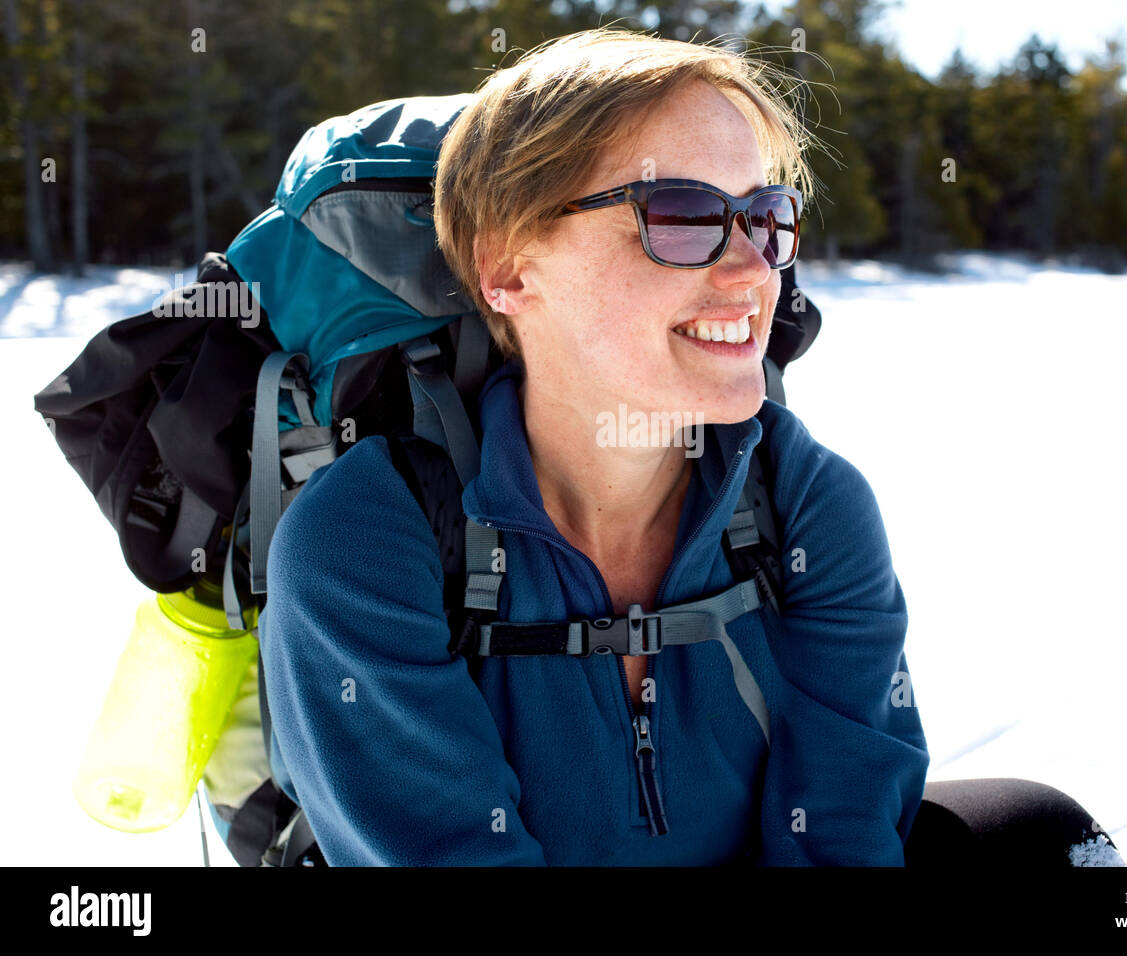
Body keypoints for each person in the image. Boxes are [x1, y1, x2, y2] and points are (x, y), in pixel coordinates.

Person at [258, 26, 931, 866]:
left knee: (1033, 830)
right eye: (682, 216)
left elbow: (842, 835)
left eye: (764, 218)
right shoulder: (366, 539)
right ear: (506, 266)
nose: (755, 271)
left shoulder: (804, 504)